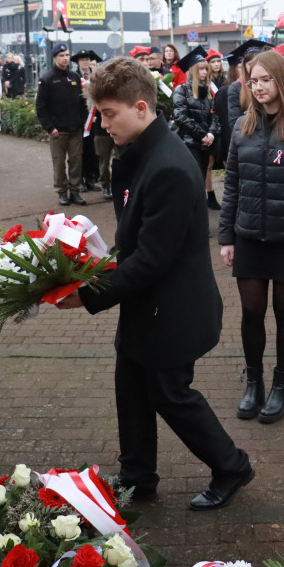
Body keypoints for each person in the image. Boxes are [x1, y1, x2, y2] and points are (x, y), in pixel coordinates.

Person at [56, 56, 254, 511]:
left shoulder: (166, 166)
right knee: (131, 384)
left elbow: (149, 261)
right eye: (100, 114)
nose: (102, 124)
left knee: (170, 393)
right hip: (150, 306)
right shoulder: (143, 155)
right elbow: (133, 242)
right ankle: (137, 476)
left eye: (110, 114)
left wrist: (85, 295)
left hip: (174, 310)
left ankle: (232, 465)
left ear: (141, 108)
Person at [218, 50, 284, 424]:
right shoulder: (242, 127)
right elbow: (231, 184)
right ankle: (254, 383)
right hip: (248, 235)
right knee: (251, 312)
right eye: (253, 80)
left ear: (281, 81)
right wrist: (226, 237)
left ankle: (281, 386)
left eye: (266, 79)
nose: (259, 87)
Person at [36, 42, 88, 206]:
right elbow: (41, 107)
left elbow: (82, 103)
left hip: (75, 130)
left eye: (67, 55)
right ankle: (62, 192)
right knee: (59, 164)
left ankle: (75, 192)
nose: (65, 58)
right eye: (61, 56)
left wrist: (81, 122)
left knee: (76, 162)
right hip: (58, 132)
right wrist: (50, 127)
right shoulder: (47, 79)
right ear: (54, 58)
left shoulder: (74, 77)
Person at [172, 47, 220, 209]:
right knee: (194, 182)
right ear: (192, 71)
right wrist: (202, 135)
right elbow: (180, 116)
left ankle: (197, 218)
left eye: (206, 69)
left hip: (205, 144)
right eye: (200, 69)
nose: (205, 72)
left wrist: (211, 134)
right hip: (189, 143)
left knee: (200, 180)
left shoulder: (208, 91)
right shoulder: (182, 90)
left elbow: (215, 115)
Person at [73, 49, 102, 192]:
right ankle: (81, 180)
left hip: (95, 118)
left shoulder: (96, 76)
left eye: (87, 59)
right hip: (81, 119)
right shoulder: (74, 76)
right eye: (82, 59)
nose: (85, 62)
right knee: (81, 151)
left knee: (93, 150)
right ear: (78, 61)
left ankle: (91, 179)